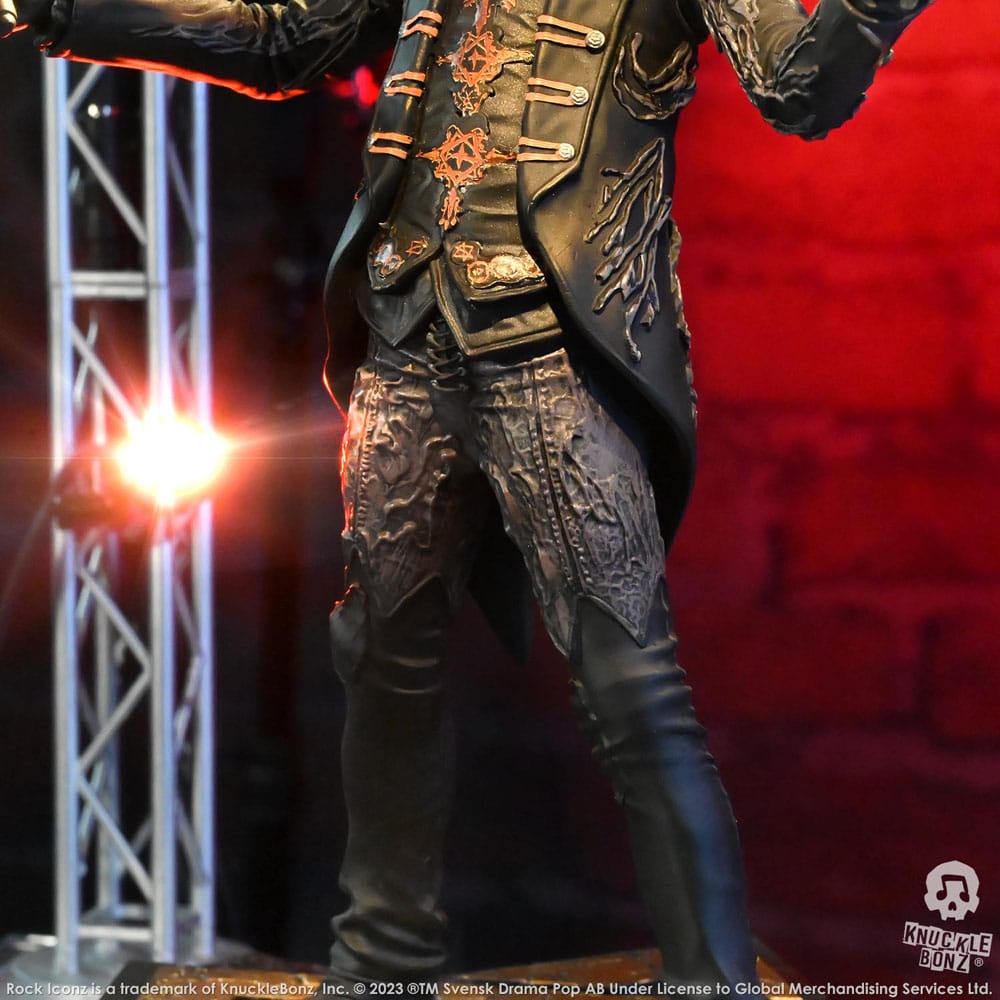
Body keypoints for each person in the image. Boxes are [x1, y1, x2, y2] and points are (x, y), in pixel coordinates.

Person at [6, 0, 932, 989]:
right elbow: (286, 39)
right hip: (407, 334)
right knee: (382, 660)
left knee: (631, 686)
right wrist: (65, 10)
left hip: (556, 357)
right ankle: (380, 962)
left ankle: (711, 981)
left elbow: (797, 86)